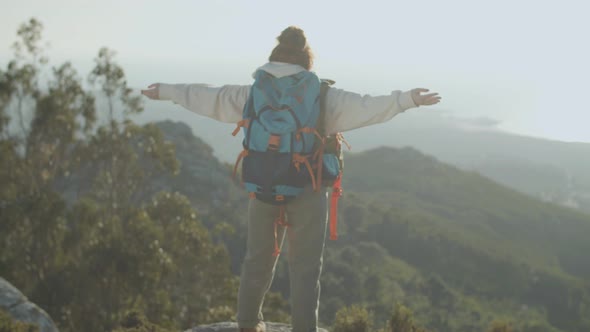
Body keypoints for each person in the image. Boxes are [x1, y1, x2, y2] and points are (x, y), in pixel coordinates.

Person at [141, 26, 440, 332]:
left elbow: (209, 96)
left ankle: (247, 324)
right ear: (306, 62)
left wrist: (165, 91)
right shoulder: (321, 95)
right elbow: (367, 106)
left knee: (257, 260)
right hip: (307, 188)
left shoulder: (253, 91)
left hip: (262, 185)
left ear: (274, 58)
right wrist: (407, 99)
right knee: (306, 268)